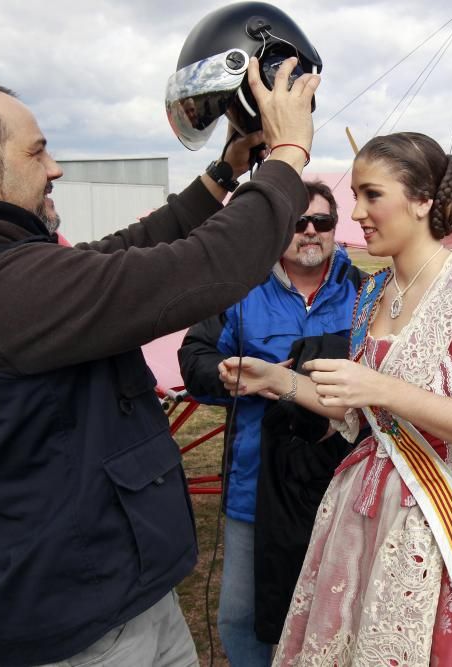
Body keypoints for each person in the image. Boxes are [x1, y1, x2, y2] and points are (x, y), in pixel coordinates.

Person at [0, 55, 318, 667]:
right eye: (36, 152)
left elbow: (122, 254)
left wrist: (225, 174)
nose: (55, 167)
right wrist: (286, 157)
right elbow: (202, 270)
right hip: (82, 622)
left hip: (103, 591)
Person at [219, 132, 452, 666]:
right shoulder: (372, 296)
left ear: (423, 200)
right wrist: (275, 378)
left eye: (371, 195)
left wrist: (385, 388)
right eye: (356, 196)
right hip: (374, 503)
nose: (356, 212)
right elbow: (357, 409)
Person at [177, 180, 362, 664]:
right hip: (253, 482)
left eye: (321, 222)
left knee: (342, 605)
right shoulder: (239, 289)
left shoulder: (364, 293)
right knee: (240, 614)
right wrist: (227, 376)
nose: (309, 232)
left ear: (334, 229)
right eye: (297, 223)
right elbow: (193, 356)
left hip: (341, 481)